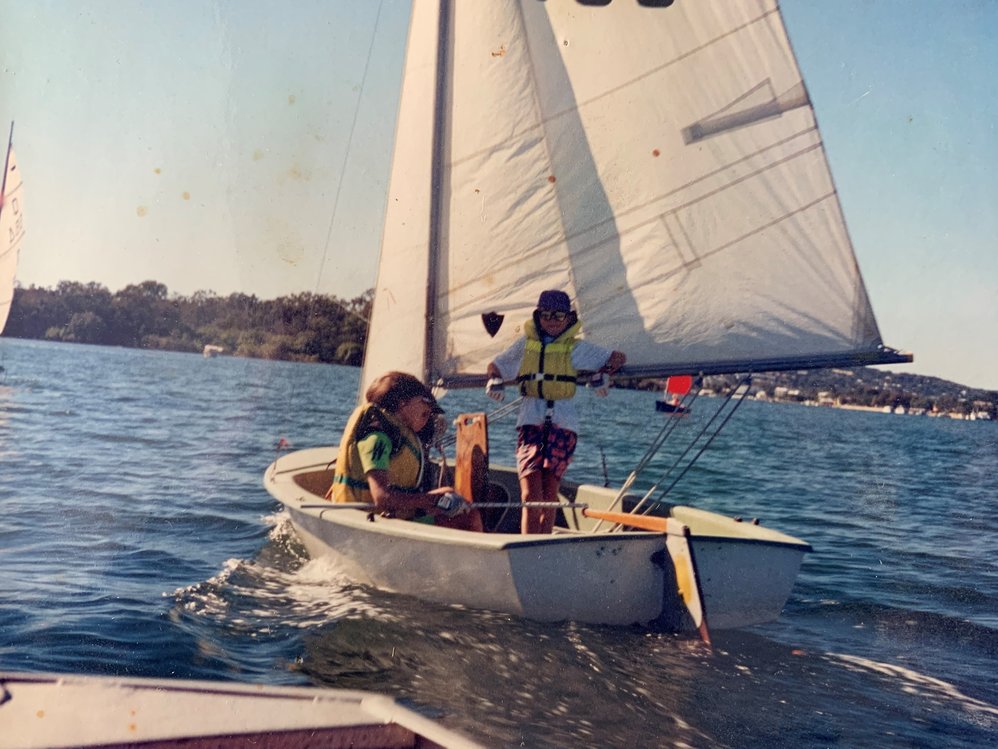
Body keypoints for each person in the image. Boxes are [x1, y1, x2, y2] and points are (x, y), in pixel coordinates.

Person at [485, 290, 625, 534]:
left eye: (559, 315)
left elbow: (617, 357)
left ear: (568, 318)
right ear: (537, 316)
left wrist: (603, 373)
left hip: (563, 425)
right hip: (530, 423)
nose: (552, 320)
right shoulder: (524, 346)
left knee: (549, 496)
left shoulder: (576, 348)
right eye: (546, 315)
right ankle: (529, 545)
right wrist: (494, 379)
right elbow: (496, 365)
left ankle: (541, 546)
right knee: (530, 496)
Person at [326, 371, 483, 532]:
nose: (429, 415)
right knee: (469, 517)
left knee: (449, 494)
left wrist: (434, 499)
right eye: (425, 405)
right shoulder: (377, 437)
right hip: (369, 522)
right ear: (402, 403)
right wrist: (431, 500)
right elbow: (382, 497)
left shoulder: (398, 434)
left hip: (391, 516)